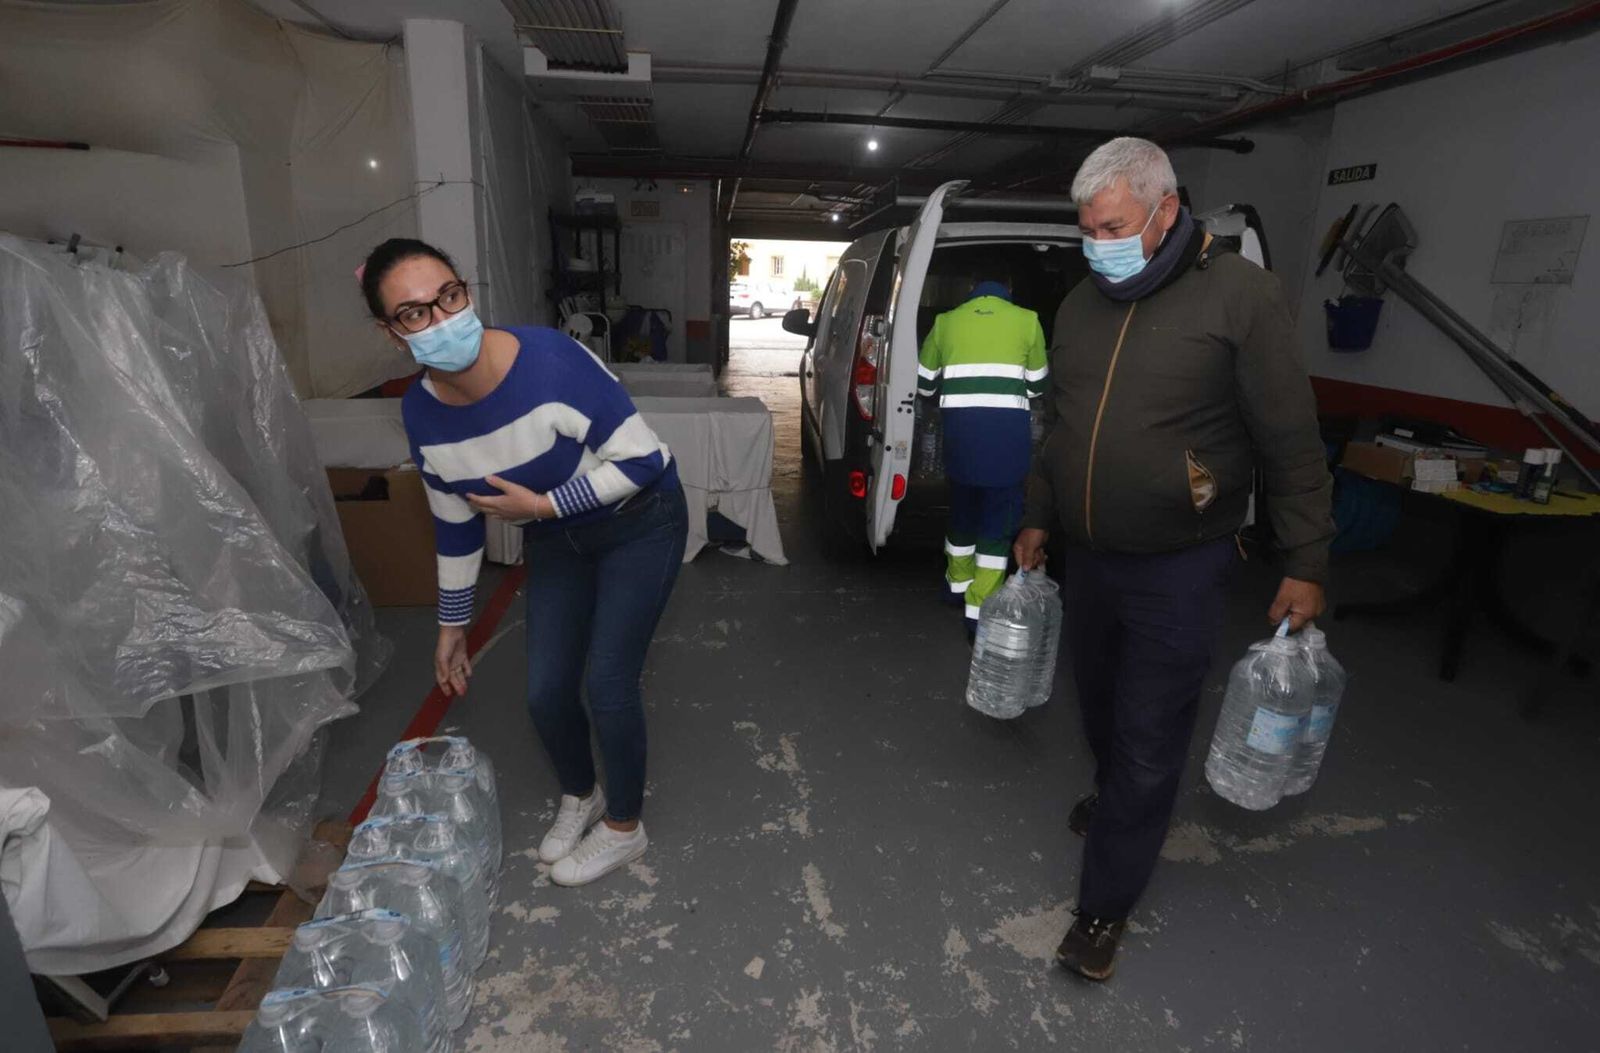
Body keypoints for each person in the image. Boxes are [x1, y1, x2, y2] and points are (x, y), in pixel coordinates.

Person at [1013, 139, 1334, 980]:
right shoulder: (1080, 305)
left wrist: (1306, 558)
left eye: (1113, 228)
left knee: (1150, 733)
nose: (1097, 245)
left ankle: (1103, 906)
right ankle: (1117, 790)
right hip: (1092, 557)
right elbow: (1060, 428)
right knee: (1099, 705)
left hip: (1180, 565)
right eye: (1086, 229)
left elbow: (1291, 440)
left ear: (1165, 210)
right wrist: (1039, 515)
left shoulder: (1241, 296)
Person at [362, 238, 689, 888]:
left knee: (609, 683)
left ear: (466, 290)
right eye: (415, 312)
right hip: (557, 537)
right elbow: (455, 520)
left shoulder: (549, 361)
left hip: (638, 521)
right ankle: (582, 793)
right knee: (545, 691)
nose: (442, 319)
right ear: (391, 332)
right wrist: (452, 625)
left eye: (449, 296)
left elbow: (643, 460)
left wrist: (543, 505)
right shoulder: (421, 414)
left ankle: (625, 826)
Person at [917, 270, 1049, 636]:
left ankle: (956, 586)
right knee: (996, 529)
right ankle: (979, 611)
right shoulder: (1028, 321)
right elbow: (1038, 386)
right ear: (1009, 287)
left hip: (959, 444)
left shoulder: (945, 322)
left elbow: (924, 384)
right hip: (1006, 449)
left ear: (972, 288)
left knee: (962, 515)